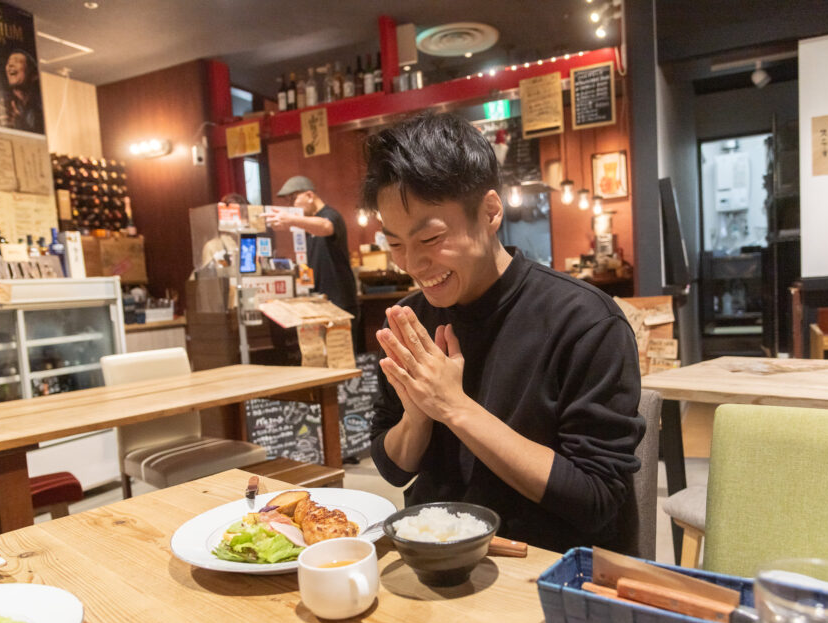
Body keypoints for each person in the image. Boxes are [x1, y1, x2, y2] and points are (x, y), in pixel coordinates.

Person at [361, 112, 644, 553]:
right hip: (436, 559)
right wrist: (416, 417)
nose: (412, 264)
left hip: (546, 571)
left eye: (431, 239)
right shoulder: (408, 322)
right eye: (395, 243)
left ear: (491, 211)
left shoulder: (585, 321)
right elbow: (394, 469)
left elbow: (596, 498)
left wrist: (454, 407)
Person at [264, 176, 360, 349]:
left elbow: (325, 226)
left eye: (294, 199)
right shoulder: (307, 226)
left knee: (342, 356)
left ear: (309, 195)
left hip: (340, 300)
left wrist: (292, 220)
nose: (292, 206)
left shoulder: (331, 215)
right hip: (319, 302)